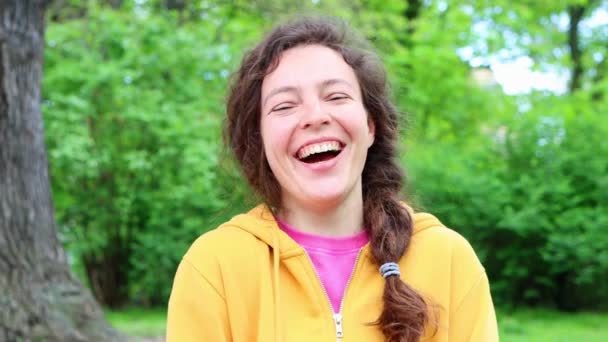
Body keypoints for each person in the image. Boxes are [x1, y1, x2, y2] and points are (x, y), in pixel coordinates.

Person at [166, 17, 498, 342]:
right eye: (284, 106)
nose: (315, 117)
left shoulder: (450, 260)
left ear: (370, 125)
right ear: (260, 140)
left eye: (336, 96)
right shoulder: (214, 268)